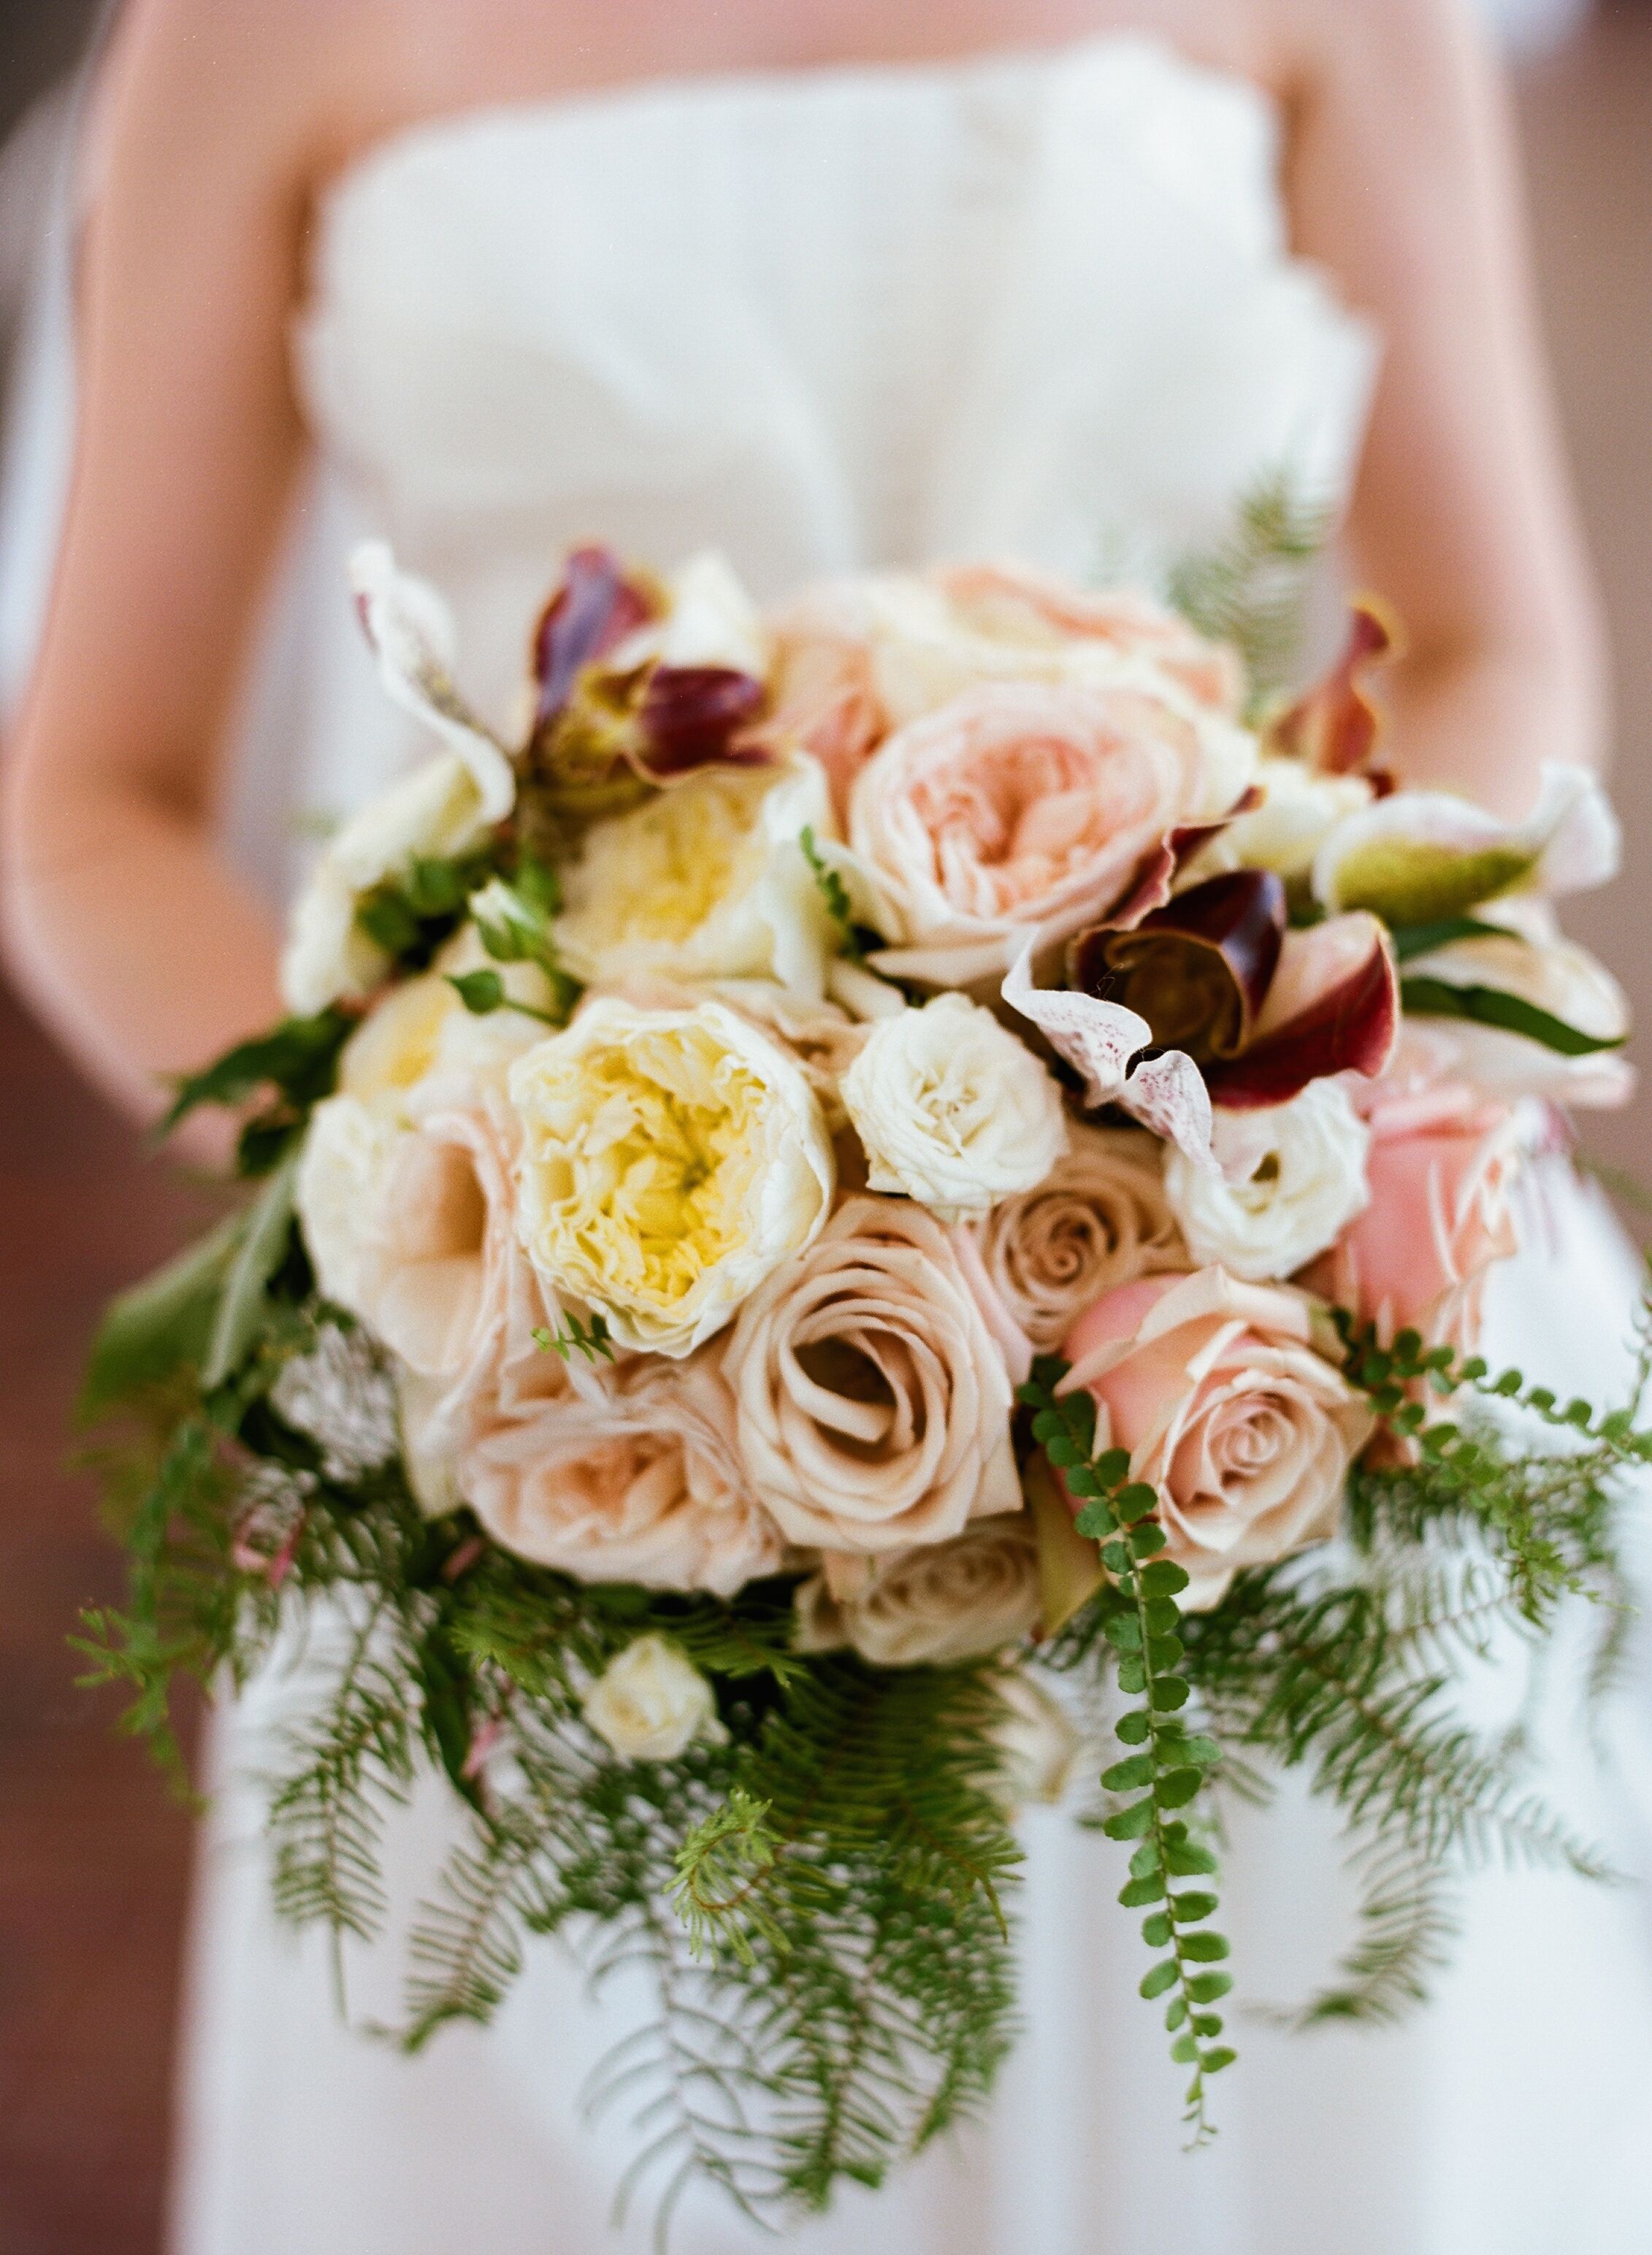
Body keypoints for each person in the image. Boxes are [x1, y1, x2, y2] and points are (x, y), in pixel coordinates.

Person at [1, 3, 1648, 2251]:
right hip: (556, 1400)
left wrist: (1217, 1082)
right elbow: (86, 811)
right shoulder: (247, 38)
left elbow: (1491, 637)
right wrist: (491, 1241)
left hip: (1246, 1321)